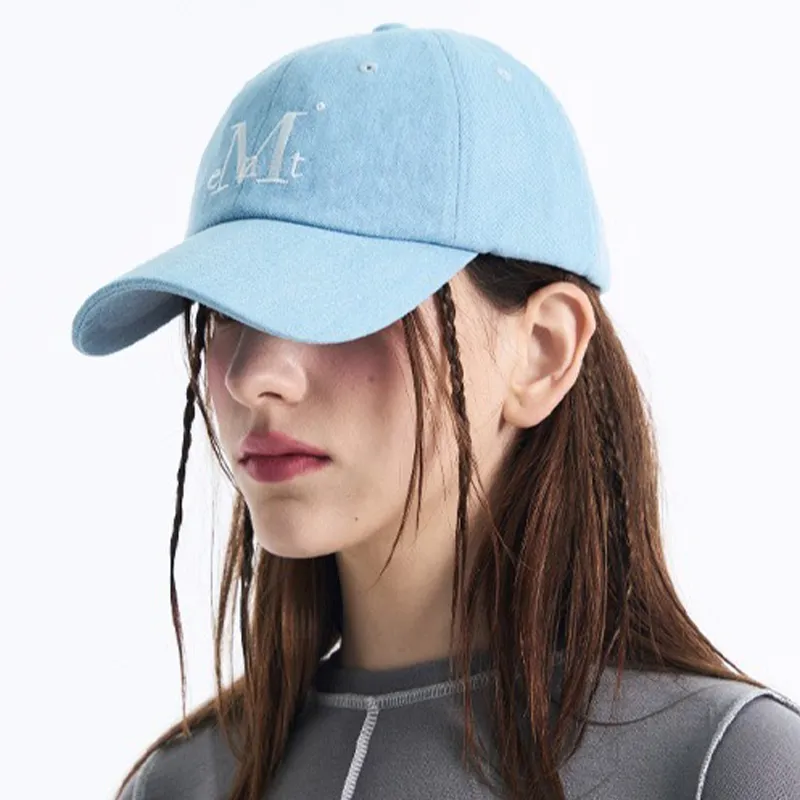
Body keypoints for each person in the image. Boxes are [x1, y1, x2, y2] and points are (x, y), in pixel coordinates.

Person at [71, 23, 800, 800]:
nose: (253, 376)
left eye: (339, 298)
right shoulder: (178, 784)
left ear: (543, 351)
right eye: (223, 311)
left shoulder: (726, 768)